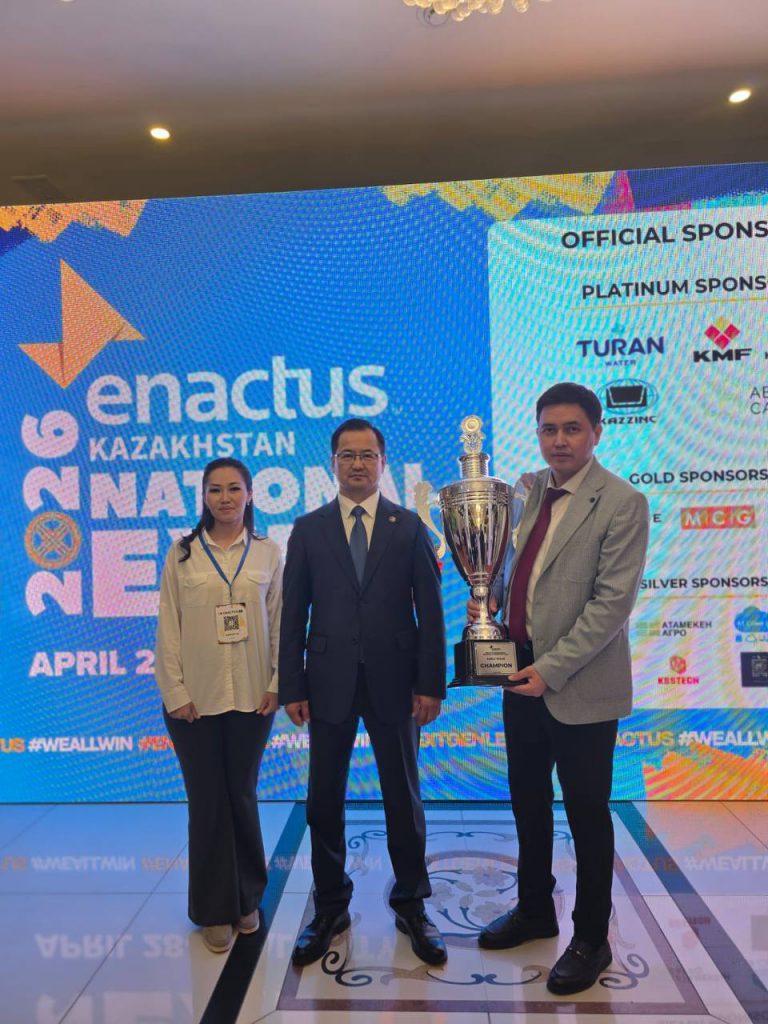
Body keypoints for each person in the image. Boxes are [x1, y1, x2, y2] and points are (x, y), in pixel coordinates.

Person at [471, 382, 649, 996]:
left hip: (579, 682)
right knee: (528, 801)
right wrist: (488, 599)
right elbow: (514, 568)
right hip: (517, 672)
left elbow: (611, 605)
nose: (560, 441)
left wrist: (552, 668)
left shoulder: (622, 502)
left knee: (586, 814)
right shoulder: (527, 492)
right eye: (549, 429)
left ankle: (591, 938)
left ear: (597, 432)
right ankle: (534, 909)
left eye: (573, 429)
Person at [279, 418, 447, 967]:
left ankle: (412, 904)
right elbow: (293, 613)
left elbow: (431, 612)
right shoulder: (308, 529)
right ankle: (330, 906)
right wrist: (291, 684)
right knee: (323, 799)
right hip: (327, 682)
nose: (357, 464)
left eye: (367, 455)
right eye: (347, 455)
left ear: (382, 462)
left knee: (403, 796)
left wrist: (430, 684)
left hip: (396, 682)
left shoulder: (409, 526)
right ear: (332, 463)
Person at [155, 457, 282, 954]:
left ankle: (247, 899)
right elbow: (168, 625)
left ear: (250, 495)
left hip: (253, 696)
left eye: (233, 489)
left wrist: (277, 682)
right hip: (195, 700)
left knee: (242, 797)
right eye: (214, 490)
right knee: (208, 802)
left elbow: (279, 620)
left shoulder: (268, 552)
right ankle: (212, 909)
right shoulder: (182, 554)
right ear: (203, 497)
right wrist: (175, 692)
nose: (224, 498)